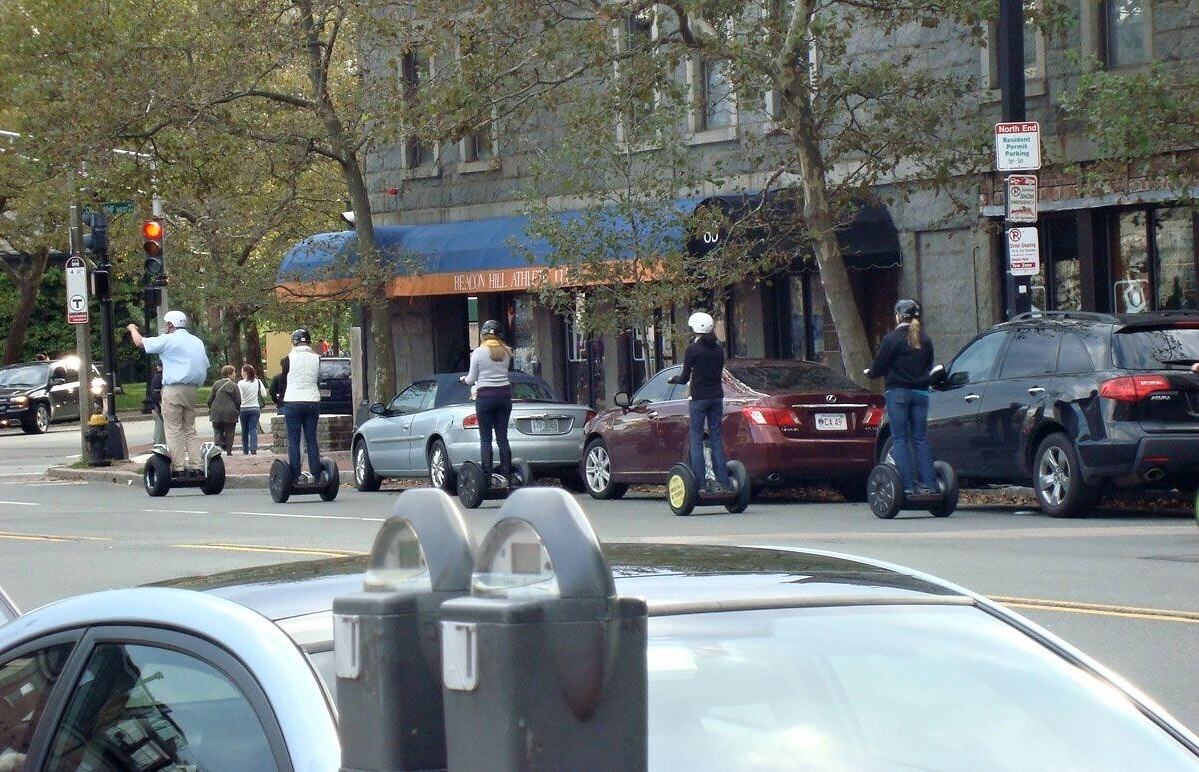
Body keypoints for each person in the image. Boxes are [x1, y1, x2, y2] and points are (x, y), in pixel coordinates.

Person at [866, 298, 938, 496]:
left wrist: (870, 372)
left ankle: (908, 486)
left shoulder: (891, 339)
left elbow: (879, 366)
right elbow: (929, 365)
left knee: (899, 438)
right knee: (920, 439)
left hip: (898, 393)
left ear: (898, 316)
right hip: (921, 394)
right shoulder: (925, 339)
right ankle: (930, 485)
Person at [127, 311, 209, 476]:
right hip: (192, 389)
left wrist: (132, 329)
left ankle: (178, 468)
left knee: (173, 429)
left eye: (166, 324)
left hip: (173, 388)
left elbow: (139, 342)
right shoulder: (197, 341)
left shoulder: (168, 339)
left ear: (171, 325)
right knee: (190, 429)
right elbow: (205, 364)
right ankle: (197, 466)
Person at [668, 312, 733, 494]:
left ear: (695, 329)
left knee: (696, 439)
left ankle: (701, 484)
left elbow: (684, 377)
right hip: (716, 398)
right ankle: (724, 483)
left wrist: (673, 380)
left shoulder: (692, 350)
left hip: (698, 399)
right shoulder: (719, 350)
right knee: (716, 439)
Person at [460, 320, 514, 486]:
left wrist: (462, 380)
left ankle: (486, 475)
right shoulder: (507, 352)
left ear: (483, 335)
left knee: (485, 439)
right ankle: (507, 474)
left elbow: (471, 379)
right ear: (500, 336)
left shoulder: (478, 352)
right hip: (504, 397)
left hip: (485, 398)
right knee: (502, 438)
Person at [283, 329, 323, 483]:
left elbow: (284, 381)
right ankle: (317, 474)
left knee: (294, 440)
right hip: (312, 400)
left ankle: (295, 475)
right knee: (311, 439)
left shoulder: (288, 358)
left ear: (294, 342)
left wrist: (280, 399)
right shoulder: (317, 358)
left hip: (293, 400)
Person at [207, 365, 241, 455]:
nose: (235, 375)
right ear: (229, 374)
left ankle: (218, 450)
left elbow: (209, 399)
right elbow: (238, 401)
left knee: (217, 431)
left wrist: (211, 408)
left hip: (216, 412)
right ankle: (229, 451)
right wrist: (237, 411)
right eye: (234, 373)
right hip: (230, 413)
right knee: (230, 431)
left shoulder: (216, 384)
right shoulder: (234, 386)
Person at [237, 364, 269, 455]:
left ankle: (245, 449)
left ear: (245, 372)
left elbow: (240, 396)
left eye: (242, 371)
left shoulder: (240, 383)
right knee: (253, 429)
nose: (241, 373)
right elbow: (264, 394)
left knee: (244, 430)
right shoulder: (258, 381)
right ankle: (253, 448)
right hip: (255, 407)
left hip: (243, 408)